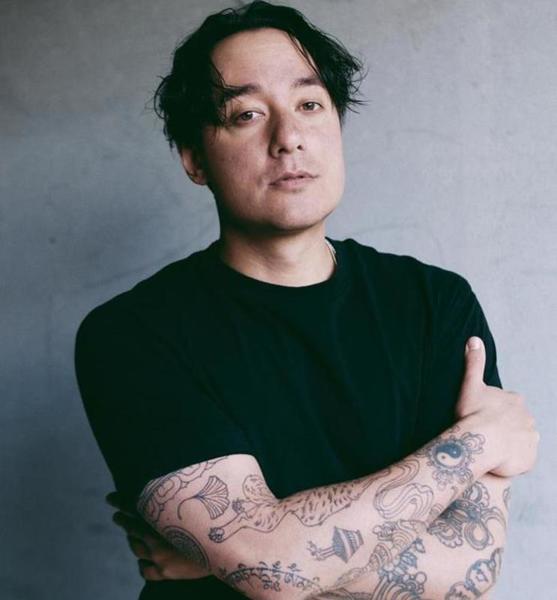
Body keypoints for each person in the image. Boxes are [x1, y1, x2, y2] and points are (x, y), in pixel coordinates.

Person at [74, 2, 538, 598]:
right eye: (246, 114)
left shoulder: (433, 302)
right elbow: (266, 565)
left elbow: (471, 569)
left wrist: (248, 558)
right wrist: (475, 443)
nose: (288, 137)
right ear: (194, 158)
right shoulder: (132, 334)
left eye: (309, 104)